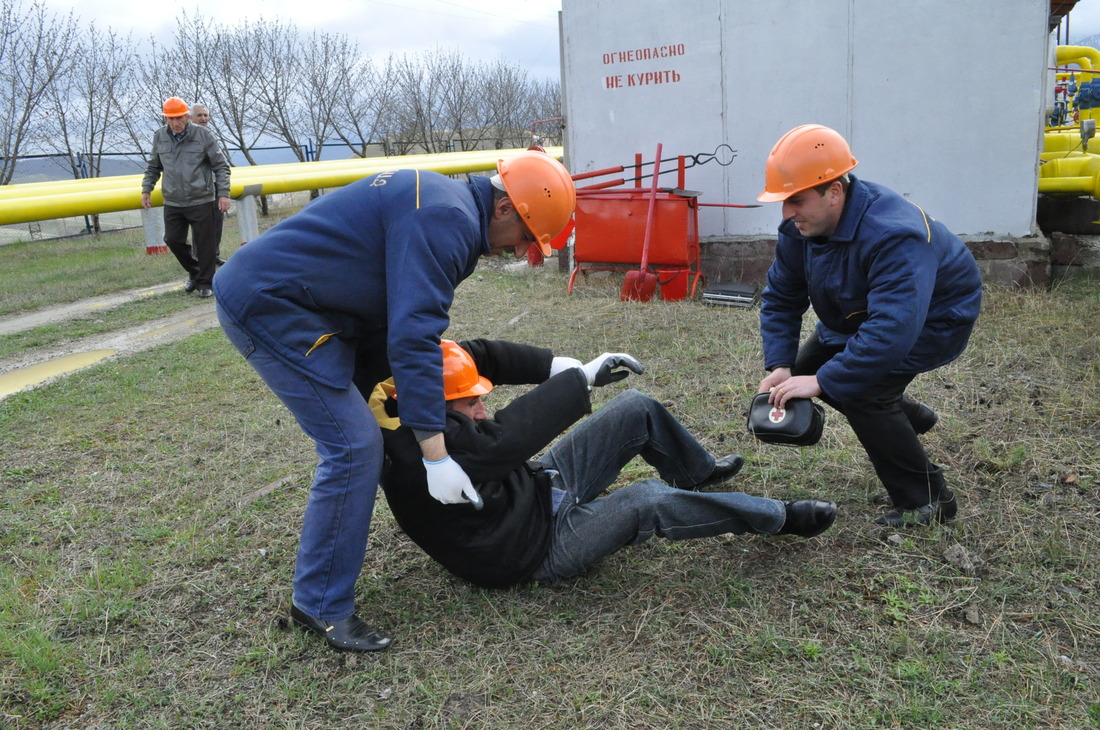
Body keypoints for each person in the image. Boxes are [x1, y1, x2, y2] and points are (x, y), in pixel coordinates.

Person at [212, 151, 576, 652]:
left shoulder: (451, 209)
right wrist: (436, 453)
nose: (520, 254)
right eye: (526, 239)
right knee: (354, 447)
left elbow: (411, 334)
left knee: (378, 411)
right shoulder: (448, 218)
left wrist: (549, 367)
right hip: (272, 306)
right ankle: (318, 605)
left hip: (324, 305)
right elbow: (413, 338)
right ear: (505, 210)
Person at [367, 339, 838, 590]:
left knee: (634, 405)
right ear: (438, 411)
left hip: (530, 491)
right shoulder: (417, 452)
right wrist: (579, 379)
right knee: (646, 501)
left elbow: (480, 354)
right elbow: (500, 441)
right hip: (533, 550)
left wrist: (554, 365)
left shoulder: (403, 391)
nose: (483, 409)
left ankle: (695, 471)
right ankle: (778, 519)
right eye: (472, 405)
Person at [754, 124, 982, 527]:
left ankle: (927, 501)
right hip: (855, 315)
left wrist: (825, 382)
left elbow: (894, 329)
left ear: (835, 191)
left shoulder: (895, 236)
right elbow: (782, 297)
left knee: (863, 391)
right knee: (810, 374)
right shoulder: (801, 228)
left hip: (932, 319)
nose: (787, 213)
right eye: (783, 201)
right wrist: (781, 364)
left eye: (796, 200)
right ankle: (908, 418)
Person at [141, 97, 230, 299]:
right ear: (165, 118)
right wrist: (146, 189)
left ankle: (206, 284)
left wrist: (223, 194)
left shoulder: (203, 135)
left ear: (187, 117)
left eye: (179, 118)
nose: (175, 123)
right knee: (172, 240)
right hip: (173, 200)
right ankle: (196, 272)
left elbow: (220, 166)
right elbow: (154, 166)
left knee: (205, 243)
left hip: (201, 198)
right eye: (170, 119)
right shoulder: (159, 137)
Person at [189, 103, 226, 267]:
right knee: (200, 225)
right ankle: (198, 258)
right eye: (199, 115)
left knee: (217, 221)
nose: (203, 118)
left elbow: (219, 162)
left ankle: (214, 254)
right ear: (190, 117)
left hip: (215, 184)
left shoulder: (209, 135)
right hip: (198, 188)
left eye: (205, 115)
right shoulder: (188, 137)